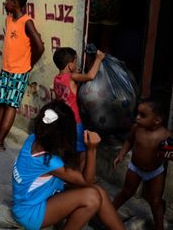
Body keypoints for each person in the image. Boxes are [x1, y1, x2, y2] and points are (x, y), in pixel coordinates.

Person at [12, 101, 125, 230]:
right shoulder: (49, 162)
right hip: (30, 214)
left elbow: (78, 177)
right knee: (92, 198)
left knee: (99, 192)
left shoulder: (33, 139)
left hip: (31, 201)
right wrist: (92, 150)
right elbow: (86, 181)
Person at [0, 0, 44, 154]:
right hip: (7, 69)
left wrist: (28, 64)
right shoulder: (9, 19)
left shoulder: (27, 22)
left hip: (19, 72)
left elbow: (39, 46)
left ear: (15, 3)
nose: (5, 2)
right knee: (3, 103)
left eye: (7, 0)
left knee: (10, 106)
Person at [113, 98, 171, 230]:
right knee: (126, 192)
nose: (137, 118)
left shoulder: (165, 135)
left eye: (142, 115)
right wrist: (121, 153)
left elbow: (170, 152)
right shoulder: (136, 129)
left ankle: (159, 226)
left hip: (155, 172)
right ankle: (108, 211)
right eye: (137, 114)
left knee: (155, 202)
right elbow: (128, 141)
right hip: (135, 168)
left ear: (157, 120)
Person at [52, 47, 105, 169]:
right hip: (76, 122)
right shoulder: (71, 77)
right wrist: (98, 59)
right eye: (75, 62)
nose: (76, 64)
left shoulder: (57, 79)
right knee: (82, 151)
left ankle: (69, 172)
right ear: (70, 66)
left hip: (64, 121)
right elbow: (91, 76)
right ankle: (81, 176)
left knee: (69, 148)